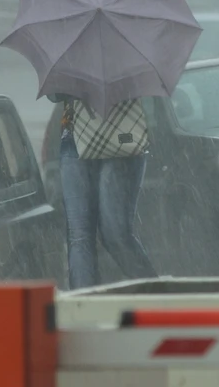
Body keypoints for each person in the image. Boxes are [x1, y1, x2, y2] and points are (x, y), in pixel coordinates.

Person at [48, 93, 157, 289]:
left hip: (120, 135)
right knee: (79, 235)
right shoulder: (71, 61)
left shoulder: (124, 60)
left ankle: (160, 297)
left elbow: (138, 83)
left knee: (115, 233)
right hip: (74, 137)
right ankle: (83, 309)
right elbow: (54, 94)